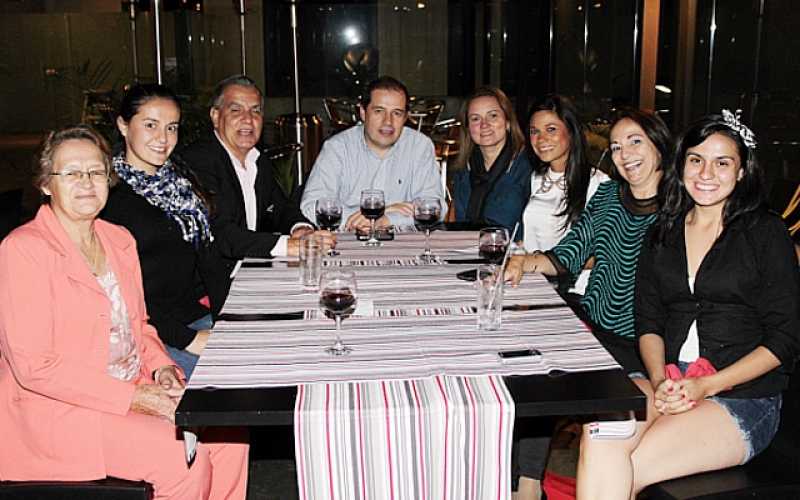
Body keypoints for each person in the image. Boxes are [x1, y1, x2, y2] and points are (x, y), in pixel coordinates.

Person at [0, 125, 248, 498]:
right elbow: (35, 367)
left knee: (229, 434)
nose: (87, 183)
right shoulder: (24, 251)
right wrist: (134, 398)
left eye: (96, 172)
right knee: (180, 457)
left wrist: (162, 368)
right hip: (60, 411)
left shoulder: (118, 239)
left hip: (132, 386)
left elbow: (139, 325)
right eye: (72, 173)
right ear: (46, 184)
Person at [576, 112, 800, 499]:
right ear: (681, 165)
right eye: (696, 160)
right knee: (600, 437)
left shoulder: (765, 232)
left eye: (722, 162)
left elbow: (785, 338)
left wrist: (705, 385)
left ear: (741, 171)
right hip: (666, 381)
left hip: (739, 395)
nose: (706, 173)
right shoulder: (662, 231)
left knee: (630, 465)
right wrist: (659, 381)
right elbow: (648, 322)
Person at [506, 108, 671, 372]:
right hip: (592, 329)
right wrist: (521, 262)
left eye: (635, 141)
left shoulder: (679, 209)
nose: (625, 154)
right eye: (616, 147)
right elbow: (569, 253)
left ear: (659, 145)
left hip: (646, 346)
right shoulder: (608, 195)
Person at [103, 83, 225, 378]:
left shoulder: (180, 184)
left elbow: (209, 261)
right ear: (123, 125)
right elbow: (122, 295)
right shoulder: (109, 199)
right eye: (150, 125)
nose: (163, 138)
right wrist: (189, 340)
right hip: (149, 335)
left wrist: (227, 320)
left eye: (172, 128)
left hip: (192, 317)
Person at [179, 75, 333, 282]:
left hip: (250, 271)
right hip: (211, 285)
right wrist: (289, 245)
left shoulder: (258, 160)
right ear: (215, 116)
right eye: (236, 110)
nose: (248, 119)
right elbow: (221, 233)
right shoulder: (199, 162)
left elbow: (281, 208)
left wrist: (301, 229)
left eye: (255, 110)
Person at [300, 75, 446, 231]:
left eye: (397, 113)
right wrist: (374, 216)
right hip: (348, 241)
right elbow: (312, 204)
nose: (388, 121)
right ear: (363, 113)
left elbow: (436, 208)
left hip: (402, 243)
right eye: (379, 111)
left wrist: (388, 219)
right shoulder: (337, 148)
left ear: (405, 117)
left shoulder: (419, 146)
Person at [522, 94, 608, 253]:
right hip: (531, 268)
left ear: (571, 131)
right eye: (534, 131)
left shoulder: (598, 183)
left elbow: (601, 252)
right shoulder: (535, 178)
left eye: (551, 129)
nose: (541, 139)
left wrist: (544, 261)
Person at [450, 86, 532, 232]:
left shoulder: (527, 168)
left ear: (508, 122)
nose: (484, 125)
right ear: (468, 128)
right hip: (467, 245)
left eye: (493, 116)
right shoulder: (462, 171)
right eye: (475, 119)